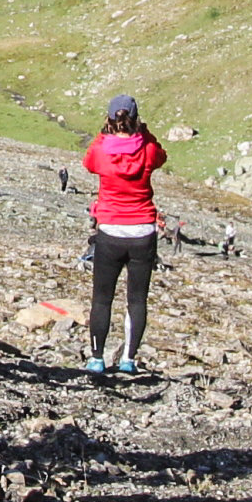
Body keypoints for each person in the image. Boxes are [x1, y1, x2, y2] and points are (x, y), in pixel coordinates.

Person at [82, 93, 167, 376]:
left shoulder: (102, 150)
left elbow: (89, 163)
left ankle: (96, 358)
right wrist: (144, 133)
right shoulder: (147, 149)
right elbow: (161, 155)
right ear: (136, 119)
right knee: (137, 299)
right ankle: (128, 359)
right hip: (143, 230)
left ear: (109, 118)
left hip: (110, 230)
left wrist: (103, 133)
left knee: (102, 298)